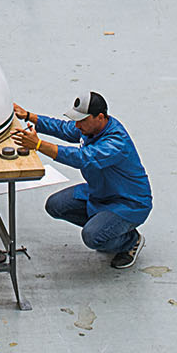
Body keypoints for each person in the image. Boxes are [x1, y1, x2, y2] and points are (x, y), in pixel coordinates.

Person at [17, 92, 153, 268]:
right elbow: (64, 128)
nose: (77, 125)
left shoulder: (116, 143)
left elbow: (82, 157)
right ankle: (107, 226)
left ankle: (130, 241)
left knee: (92, 236)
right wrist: (28, 116)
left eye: (82, 120)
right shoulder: (90, 127)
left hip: (127, 203)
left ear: (100, 117)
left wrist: (38, 145)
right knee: (55, 205)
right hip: (100, 191)